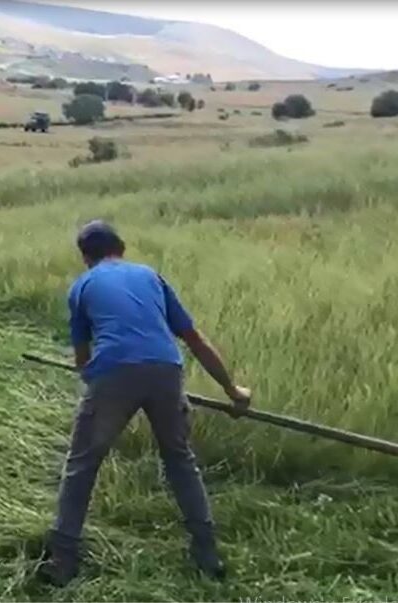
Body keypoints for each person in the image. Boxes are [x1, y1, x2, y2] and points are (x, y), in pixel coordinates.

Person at [38, 220, 252, 586]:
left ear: (86, 257)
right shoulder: (151, 276)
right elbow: (194, 339)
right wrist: (233, 391)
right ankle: (206, 552)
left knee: (82, 464)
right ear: (121, 248)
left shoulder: (83, 286)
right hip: (167, 370)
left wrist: (100, 387)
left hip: (114, 373)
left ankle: (63, 560)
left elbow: (82, 362)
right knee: (180, 461)